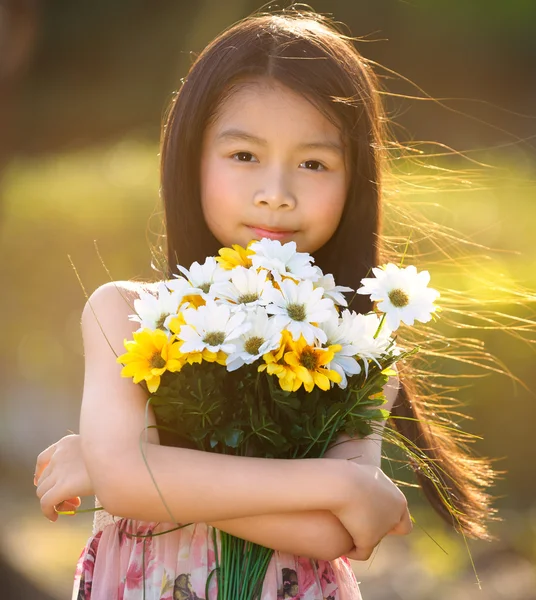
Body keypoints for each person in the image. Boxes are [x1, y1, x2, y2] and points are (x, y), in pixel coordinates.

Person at [33, 7, 498, 600]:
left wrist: (126, 465)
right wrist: (337, 482)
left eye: (313, 163)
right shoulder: (125, 314)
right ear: (191, 159)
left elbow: (334, 533)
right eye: (244, 156)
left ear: (356, 181)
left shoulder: (355, 346)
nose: (276, 195)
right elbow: (132, 484)